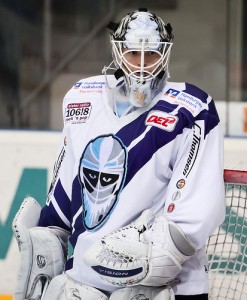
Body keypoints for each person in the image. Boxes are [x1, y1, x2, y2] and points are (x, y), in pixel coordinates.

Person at [12, 8, 226, 300]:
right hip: (84, 286)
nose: (140, 65)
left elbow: (196, 212)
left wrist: (156, 254)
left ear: (164, 55)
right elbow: (65, 186)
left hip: (169, 290)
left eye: (150, 54)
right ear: (118, 52)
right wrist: (48, 239)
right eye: (132, 53)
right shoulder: (81, 98)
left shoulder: (191, 109)